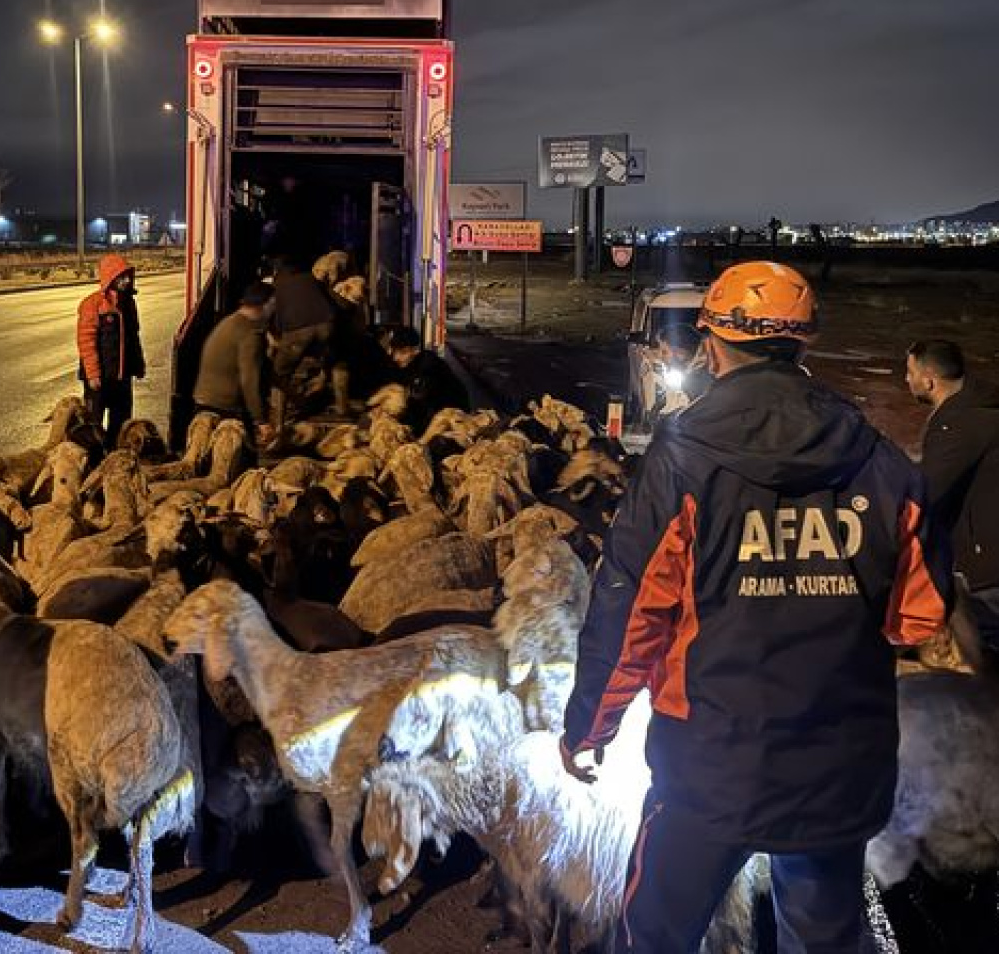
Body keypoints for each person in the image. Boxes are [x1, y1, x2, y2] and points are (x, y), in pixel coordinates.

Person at [561, 260, 951, 953]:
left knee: (653, 936)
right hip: (836, 769)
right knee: (822, 939)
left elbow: (629, 613)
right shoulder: (882, 460)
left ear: (712, 344)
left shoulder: (682, 458)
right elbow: (918, 617)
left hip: (710, 768)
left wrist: (590, 725)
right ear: (805, 344)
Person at [906, 338, 999, 650]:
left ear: (928, 380)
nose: (907, 380)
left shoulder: (957, 425)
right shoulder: (981, 410)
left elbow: (930, 494)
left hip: (987, 570)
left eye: (910, 373)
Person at [193, 281, 275, 446]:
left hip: (204, 402)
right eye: (274, 303)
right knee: (243, 461)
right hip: (226, 408)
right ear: (264, 304)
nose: (276, 309)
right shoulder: (250, 334)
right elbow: (250, 380)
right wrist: (261, 420)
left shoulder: (230, 322)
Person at [76, 254, 145, 445]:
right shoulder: (92, 305)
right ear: (110, 278)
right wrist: (92, 374)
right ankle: (93, 463)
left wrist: (138, 365)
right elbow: (86, 342)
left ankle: (114, 458)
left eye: (128, 277)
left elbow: (134, 337)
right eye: (121, 277)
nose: (126, 281)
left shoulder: (129, 304)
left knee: (121, 423)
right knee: (94, 425)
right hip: (100, 379)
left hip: (122, 378)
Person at [268, 258, 337, 429]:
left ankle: (279, 424)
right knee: (324, 357)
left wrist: (277, 338)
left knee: (279, 374)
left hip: (299, 331)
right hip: (327, 325)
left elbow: (276, 318)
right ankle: (322, 380)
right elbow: (330, 300)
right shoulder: (309, 278)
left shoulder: (277, 286)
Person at [385, 326, 469, 436]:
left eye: (402, 352)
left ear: (415, 350)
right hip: (430, 412)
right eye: (394, 352)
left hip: (452, 416)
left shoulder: (428, 366)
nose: (396, 358)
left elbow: (419, 405)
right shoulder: (404, 365)